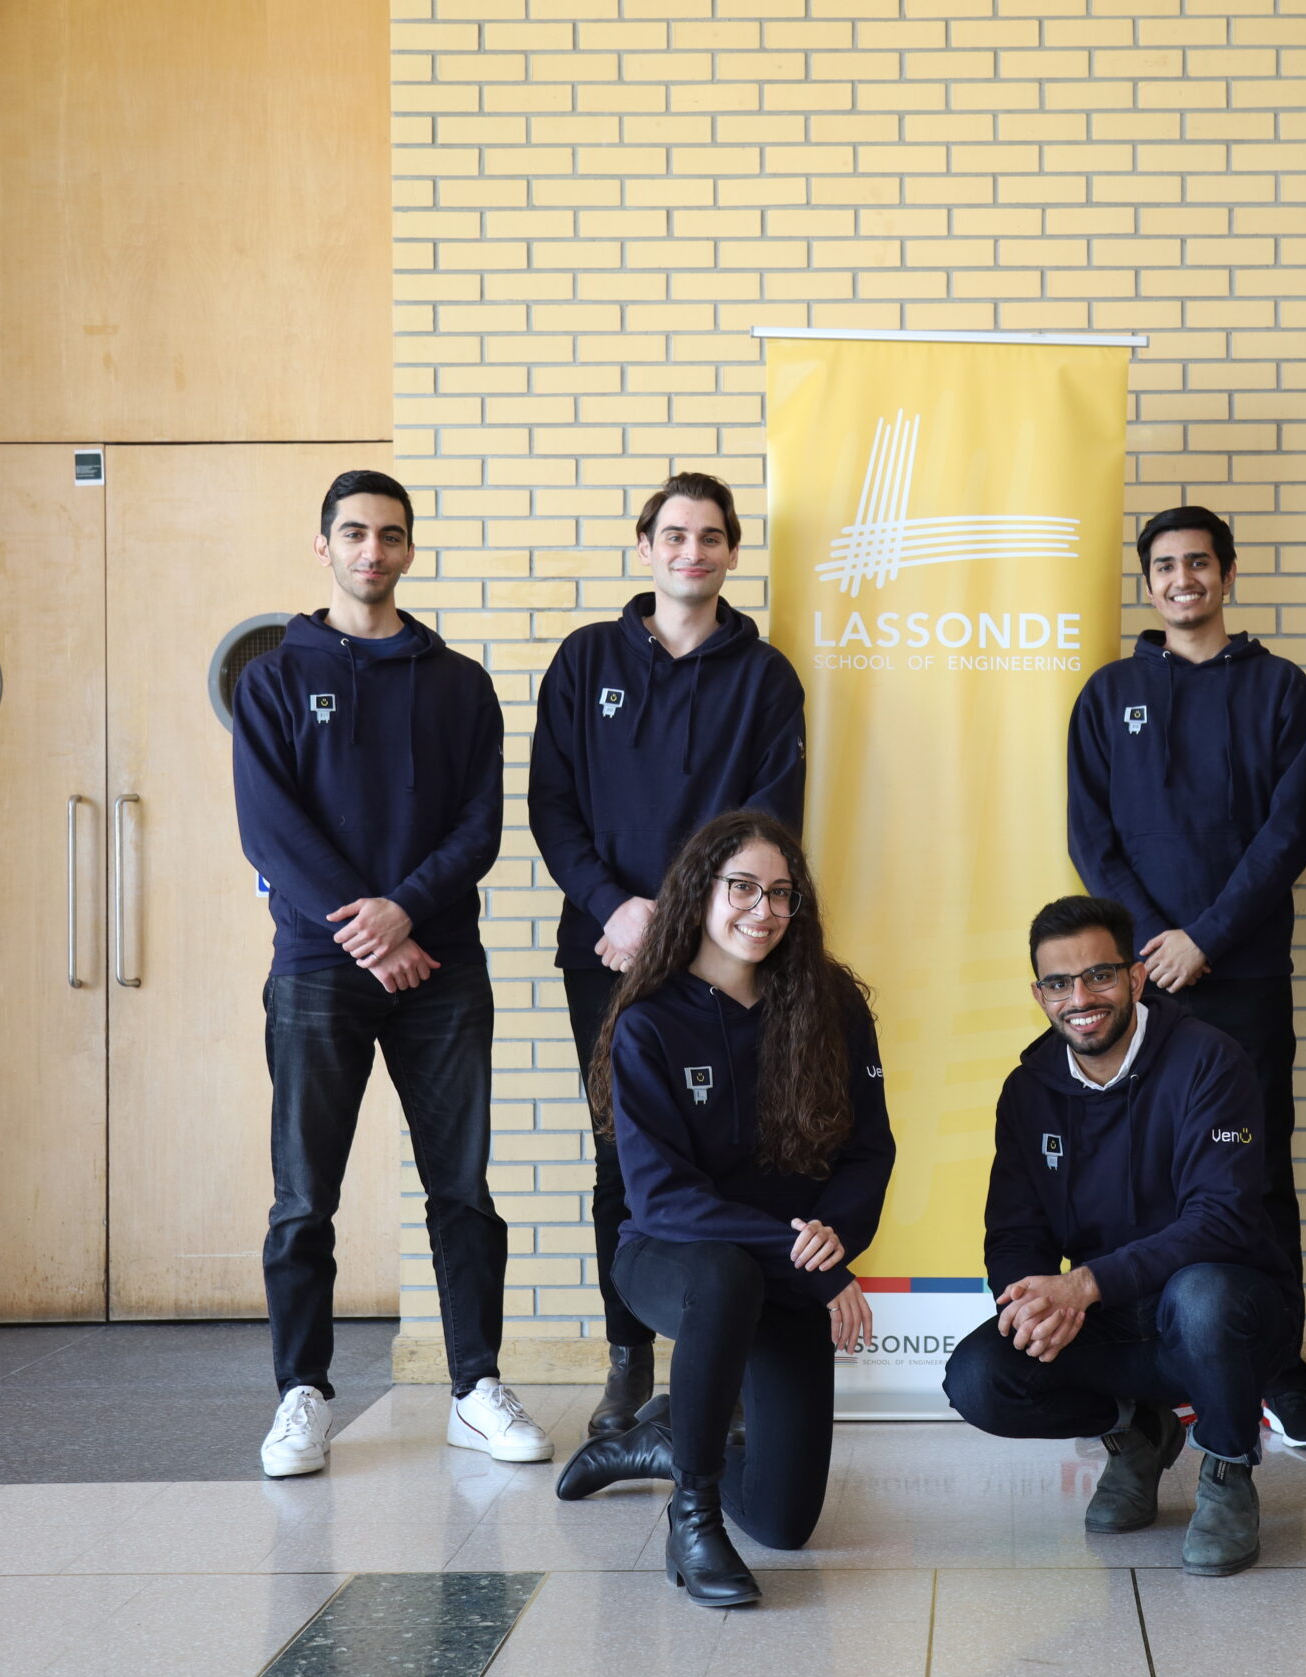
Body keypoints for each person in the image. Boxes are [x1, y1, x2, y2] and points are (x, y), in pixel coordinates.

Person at [233, 469, 548, 1478]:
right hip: (319, 970)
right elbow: (271, 831)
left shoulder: (457, 683)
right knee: (302, 1197)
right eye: (355, 533)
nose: (373, 550)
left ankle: (475, 1387)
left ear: (410, 550)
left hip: (441, 966)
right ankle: (301, 1395)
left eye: (391, 535)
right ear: (322, 544)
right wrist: (372, 929)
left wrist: (407, 911)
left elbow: (480, 824)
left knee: (462, 1187)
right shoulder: (274, 680)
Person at [548, 810, 893, 1609]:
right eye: (743, 886)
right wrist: (810, 1257)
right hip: (672, 1258)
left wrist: (830, 1242)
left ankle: (669, 1438)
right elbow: (663, 1196)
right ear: (699, 891)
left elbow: (870, 1150)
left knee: (786, 1518)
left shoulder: (830, 1005)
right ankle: (693, 1515)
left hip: (794, 1266)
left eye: (782, 893)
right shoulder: (648, 1020)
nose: (763, 909)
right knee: (724, 1272)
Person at [528, 472, 808, 1440]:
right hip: (604, 952)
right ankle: (626, 1360)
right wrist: (617, 907)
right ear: (645, 545)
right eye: (675, 535)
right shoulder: (583, 662)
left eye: (712, 537)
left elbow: (770, 822)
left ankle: (717, 1363)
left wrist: (685, 922)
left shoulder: (766, 678)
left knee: (730, 1155)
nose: (693, 551)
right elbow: (551, 807)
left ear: (732, 552)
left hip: (729, 959)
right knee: (622, 1160)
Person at [1067, 505, 1306, 1449]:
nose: (1184, 580)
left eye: (1200, 564)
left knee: (1259, 1179)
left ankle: (1282, 1377)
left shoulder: (1282, 691)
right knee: (1138, 1177)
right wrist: (1149, 947)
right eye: (1166, 566)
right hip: (1133, 983)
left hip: (1244, 974)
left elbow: (1289, 832)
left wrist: (1206, 938)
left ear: (1227, 574)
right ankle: (1153, 1380)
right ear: (1148, 584)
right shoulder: (1107, 696)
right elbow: (1090, 837)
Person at [942, 896, 1298, 1578]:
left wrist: (1084, 1283)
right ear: (1039, 993)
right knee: (979, 1375)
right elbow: (1015, 1232)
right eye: (1058, 982)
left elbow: (1220, 1220)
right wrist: (1028, 1302)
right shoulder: (1028, 1091)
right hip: (1111, 1320)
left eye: (1099, 975)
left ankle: (1225, 1470)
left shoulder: (1210, 1061)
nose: (1080, 997)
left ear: (1137, 978)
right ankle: (1136, 1432)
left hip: (1227, 1314)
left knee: (1202, 1295)